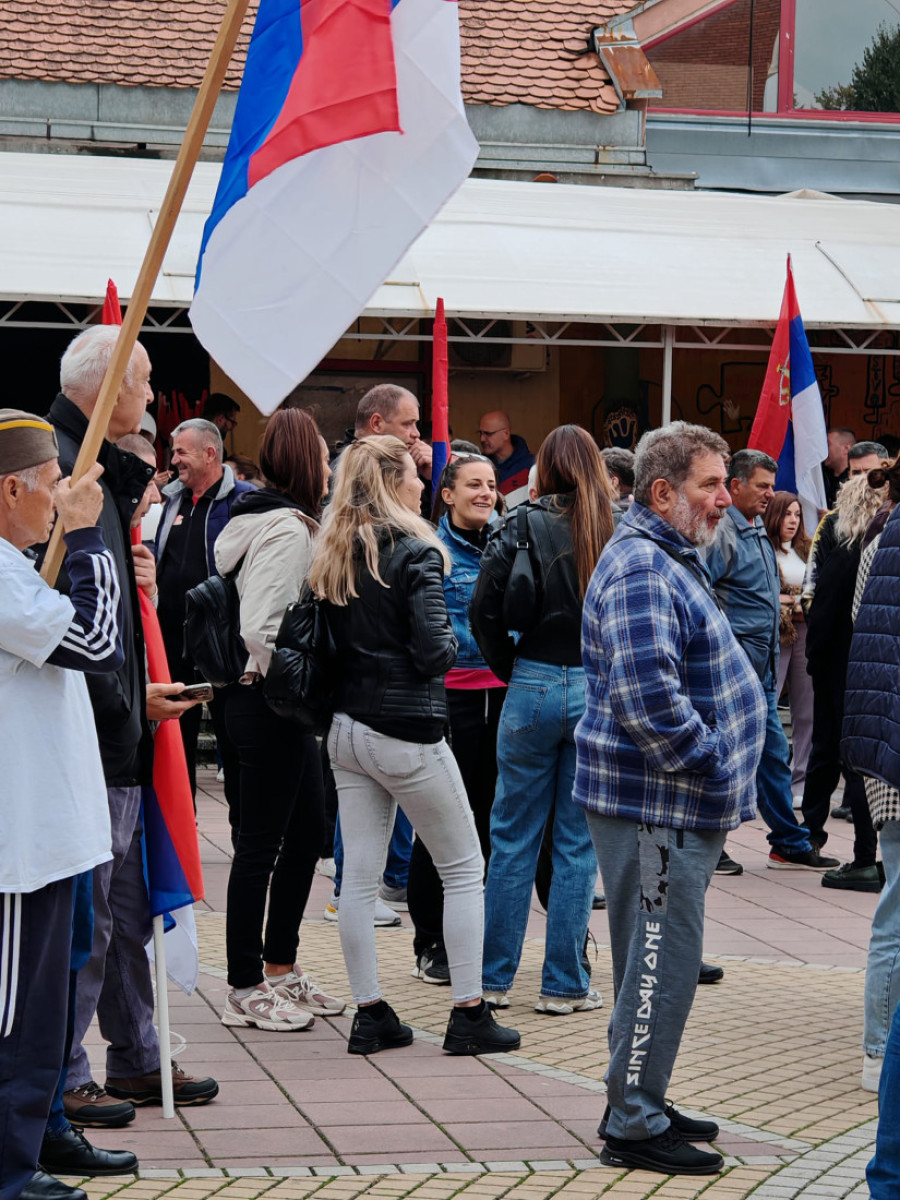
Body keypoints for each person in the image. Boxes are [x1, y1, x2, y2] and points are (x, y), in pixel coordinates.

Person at [575, 421, 768, 1177]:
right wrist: (714, 764)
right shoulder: (645, 570)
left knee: (655, 960)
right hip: (659, 808)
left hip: (667, 804)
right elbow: (647, 698)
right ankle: (632, 1122)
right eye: (711, 484)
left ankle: (639, 1093)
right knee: (661, 959)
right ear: (662, 493)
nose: (728, 499)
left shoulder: (666, 557)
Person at [45, 327, 218, 1131]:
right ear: (107, 384)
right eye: (142, 383)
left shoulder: (95, 474)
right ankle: (63, 1073)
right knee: (91, 915)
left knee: (121, 905)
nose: (152, 399)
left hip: (115, 729)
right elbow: (68, 627)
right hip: (89, 736)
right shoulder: (59, 473)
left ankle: (134, 1054)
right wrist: (125, 699)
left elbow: (103, 606)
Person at [307, 435, 520, 1056]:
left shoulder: (334, 547)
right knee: (463, 868)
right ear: (393, 483)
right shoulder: (416, 551)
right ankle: (469, 1012)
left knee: (359, 881)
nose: (422, 483)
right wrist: (454, 646)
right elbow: (434, 650)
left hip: (347, 730)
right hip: (407, 730)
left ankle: (370, 1011)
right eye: (414, 475)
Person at [0, 412, 131, 1200]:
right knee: (18, 1016)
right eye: (49, 487)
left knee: (49, 1009)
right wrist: (89, 542)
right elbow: (94, 641)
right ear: (10, 487)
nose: (58, 501)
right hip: (22, 836)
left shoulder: (14, 564)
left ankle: (38, 1129)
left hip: (56, 827)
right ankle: (10, 1172)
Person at [471, 424, 613, 1014]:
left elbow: (483, 610)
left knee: (511, 839)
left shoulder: (518, 523)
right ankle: (563, 984)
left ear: (543, 469)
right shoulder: (614, 528)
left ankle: (493, 980)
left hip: (530, 677)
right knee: (577, 844)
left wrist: (513, 668)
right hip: (592, 685)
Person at [214, 411, 345, 1031]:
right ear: (302, 461)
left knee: (304, 835)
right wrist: (301, 686)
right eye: (321, 454)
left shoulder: (264, 520)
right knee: (263, 846)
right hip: (268, 701)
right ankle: (244, 983)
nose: (327, 466)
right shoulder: (287, 530)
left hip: (270, 702)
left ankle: (279, 968)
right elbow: (261, 625)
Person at [704, 449, 837, 871]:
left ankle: (787, 840)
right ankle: (714, 842)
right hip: (735, 667)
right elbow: (703, 595)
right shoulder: (722, 532)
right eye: (761, 486)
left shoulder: (755, 527)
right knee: (728, 756)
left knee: (770, 754)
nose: (768, 494)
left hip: (759, 666)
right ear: (736, 485)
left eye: (771, 486)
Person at [406, 453, 505, 985]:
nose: (486, 493)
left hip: (504, 697)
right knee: (441, 820)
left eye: (491, 484)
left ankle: (470, 933)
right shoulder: (431, 551)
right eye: (474, 484)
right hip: (450, 700)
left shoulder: (508, 543)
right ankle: (430, 942)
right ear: (446, 494)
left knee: (490, 818)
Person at [154, 418, 255, 810]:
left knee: (233, 746)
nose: (174, 459)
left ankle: (244, 836)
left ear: (210, 453)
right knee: (176, 745)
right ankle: (183, 833)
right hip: (174, 646)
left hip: (222, 648)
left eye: (181, 451)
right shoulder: (172, 499)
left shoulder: (243, 500)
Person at [841, 460, 900, 1091]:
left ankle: (878, 1053)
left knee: (894, 907)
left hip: (882, 743)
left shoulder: (876, 541)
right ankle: (880, 1054)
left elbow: (867, 631)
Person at [801, 472, 887, 891]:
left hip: (840, 663)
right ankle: (867, 852)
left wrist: (814, 658)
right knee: (862, 758)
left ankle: (819, 839)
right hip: (874, 666)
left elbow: (817, 599)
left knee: (830, 750)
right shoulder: (883, 542)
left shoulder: (842, 547)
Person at [763, 491, 813, 804]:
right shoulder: (763, 548)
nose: (793, 521)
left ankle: (800, 782)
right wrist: (780, 600)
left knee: (806, 711)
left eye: (797, 514)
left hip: (806, 632)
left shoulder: (807, 549)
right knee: (768, 707)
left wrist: (795, 601)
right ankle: (767, 781)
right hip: (775, 633)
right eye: (787, 514)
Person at [478, 410, 534, 506]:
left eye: (488, 434)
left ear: (506, 434)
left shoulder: (532, 467)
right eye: (481, 433)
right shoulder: (479, 467)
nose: (482, 439)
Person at [822, 427, 855, 508]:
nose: (824, 449)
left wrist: (832, 517)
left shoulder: (855, 481)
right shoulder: (821, 477)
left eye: (828, 444)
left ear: (846, 449)